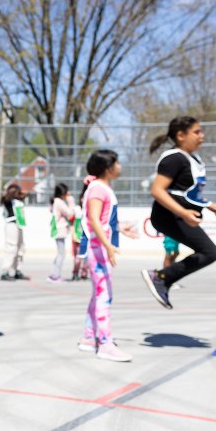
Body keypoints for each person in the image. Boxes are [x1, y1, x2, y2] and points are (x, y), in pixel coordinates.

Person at [140, 116, 216, 309]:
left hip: (177, 215)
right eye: (197, 132)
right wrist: (184, 213)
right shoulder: (174, 158)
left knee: (209, 253)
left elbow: (185, 192)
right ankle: (161, 277)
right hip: (167, 216)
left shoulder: (192, 159)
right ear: (181, 135)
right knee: (209, 252)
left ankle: (163, 279)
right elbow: (158, 190)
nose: (201, 136)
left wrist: (208, 204)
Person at [77, 150, 139, 361]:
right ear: (107, 167)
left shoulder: (101, 188)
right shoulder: (97, 189)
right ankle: (105, 343)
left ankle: (88, 337)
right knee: (104, 295)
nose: (120, 166)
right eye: (117, 163)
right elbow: (93, 220)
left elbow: (102, 221)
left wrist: (120, 229)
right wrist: (108, 246)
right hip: (98, 249)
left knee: (99, 293)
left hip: (99, 247)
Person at [0, 181, 29, 281]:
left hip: (19, 225)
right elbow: (5, 198)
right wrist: (11, 190)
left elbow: (25, 194)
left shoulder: (18, 201)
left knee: (21, 248)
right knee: (11, 248)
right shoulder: (7, 200)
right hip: (11, 224)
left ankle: (17, 270)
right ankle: (5, 270)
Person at [47, 183, 73, 282]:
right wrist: (70, 202)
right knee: (61, 253)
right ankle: (56, 275)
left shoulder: (56, 201)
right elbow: (70, 214)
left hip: (57, 229)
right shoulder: (59, 202)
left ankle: (54, 274)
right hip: (60, 229)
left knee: (60, 253)